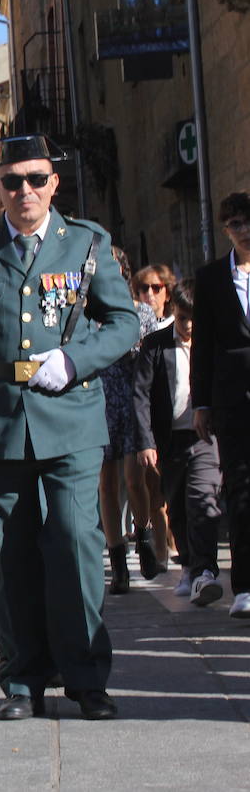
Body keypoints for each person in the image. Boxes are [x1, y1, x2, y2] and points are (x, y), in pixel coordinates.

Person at [0, 134, 138, 721]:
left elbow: (124, 324)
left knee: (75, 546)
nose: (24, 192)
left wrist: (74, 360)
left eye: (36, 179)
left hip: (70, 416)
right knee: (7, 554)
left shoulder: (86, 244)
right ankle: (22, 680)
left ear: (54, 184)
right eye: (11, 182)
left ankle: (87, 677)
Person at [134, 281, 222, 606]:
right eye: (183, 318)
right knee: (178, 505)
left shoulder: (213, 344)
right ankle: (188, 565)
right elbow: (140, 395)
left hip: (205, 437)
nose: (188, 327)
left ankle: (205, 573)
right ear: (173, 311)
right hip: (169, 439)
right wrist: (145, 441)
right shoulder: (156, 345)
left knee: (202, 501)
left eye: (194, 320)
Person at [191, 191, 250, 618]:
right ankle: (245, 586)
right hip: (233, 400)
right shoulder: (211, 278)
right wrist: (202, 403)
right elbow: (204, 345)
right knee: (241, 490)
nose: (243, 230)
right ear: (225, 229)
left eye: (247, 221)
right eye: (235, 224)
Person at [96, 248, 159, 593]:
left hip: (133, 402)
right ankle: (118, 563)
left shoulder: (142, 314)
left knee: (135, 480)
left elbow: (149, 362)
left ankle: (144, 535)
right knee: (106, 485)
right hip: (101, 402)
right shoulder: (90, 316)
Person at [133, 263, 178, 567]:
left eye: (156, 288)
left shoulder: (181, 324)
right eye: (143, 289)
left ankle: (177, 542)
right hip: (150, 419)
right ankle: (162, 549)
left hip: (179, 417)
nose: (150, 294)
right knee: (153, 487)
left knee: (176, 488)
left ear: (167, 291)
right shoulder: (138, 328)